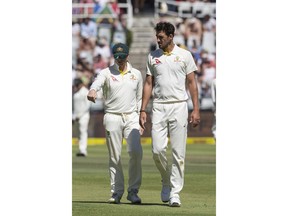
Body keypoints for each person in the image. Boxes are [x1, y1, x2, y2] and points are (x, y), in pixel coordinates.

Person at [139, 22, 201, 207]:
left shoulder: (185, 55)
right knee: (157, 150)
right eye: (157, 37)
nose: (158, 40)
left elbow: (191, 83)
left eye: (161, 37)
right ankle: (166, 180)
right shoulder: (153, 56)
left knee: (178, 152)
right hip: (158, 106)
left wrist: (196, 109)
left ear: (171, 36)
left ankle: (175, 192)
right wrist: (143, 109)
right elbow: (149, 84)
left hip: (179, 106)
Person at [87, 43, 143, 204]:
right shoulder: (106, 73)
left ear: (128, 55)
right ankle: (116, 192)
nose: (120, 60)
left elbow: (139, 98)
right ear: (113, 57)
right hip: (112, 116)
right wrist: (93, 90)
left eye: (123, 56)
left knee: (136, 152)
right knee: (115, 156)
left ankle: (133, 191)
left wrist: (140, 117)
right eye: (117, 57)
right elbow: (97, 83)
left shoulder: (136, 74)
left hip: (131, 116)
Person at [72, 78, 91, 157]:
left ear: (81, 84)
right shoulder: (76, 92)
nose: (76, 86)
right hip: (76, 116)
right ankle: (81, 149)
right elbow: (74, 106)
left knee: (83, 132)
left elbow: (87, 105)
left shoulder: (85, 92)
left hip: (84, 116)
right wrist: (73, 116)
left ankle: (83, 151)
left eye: (77, 85)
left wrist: (79, 115)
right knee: (77, 133)